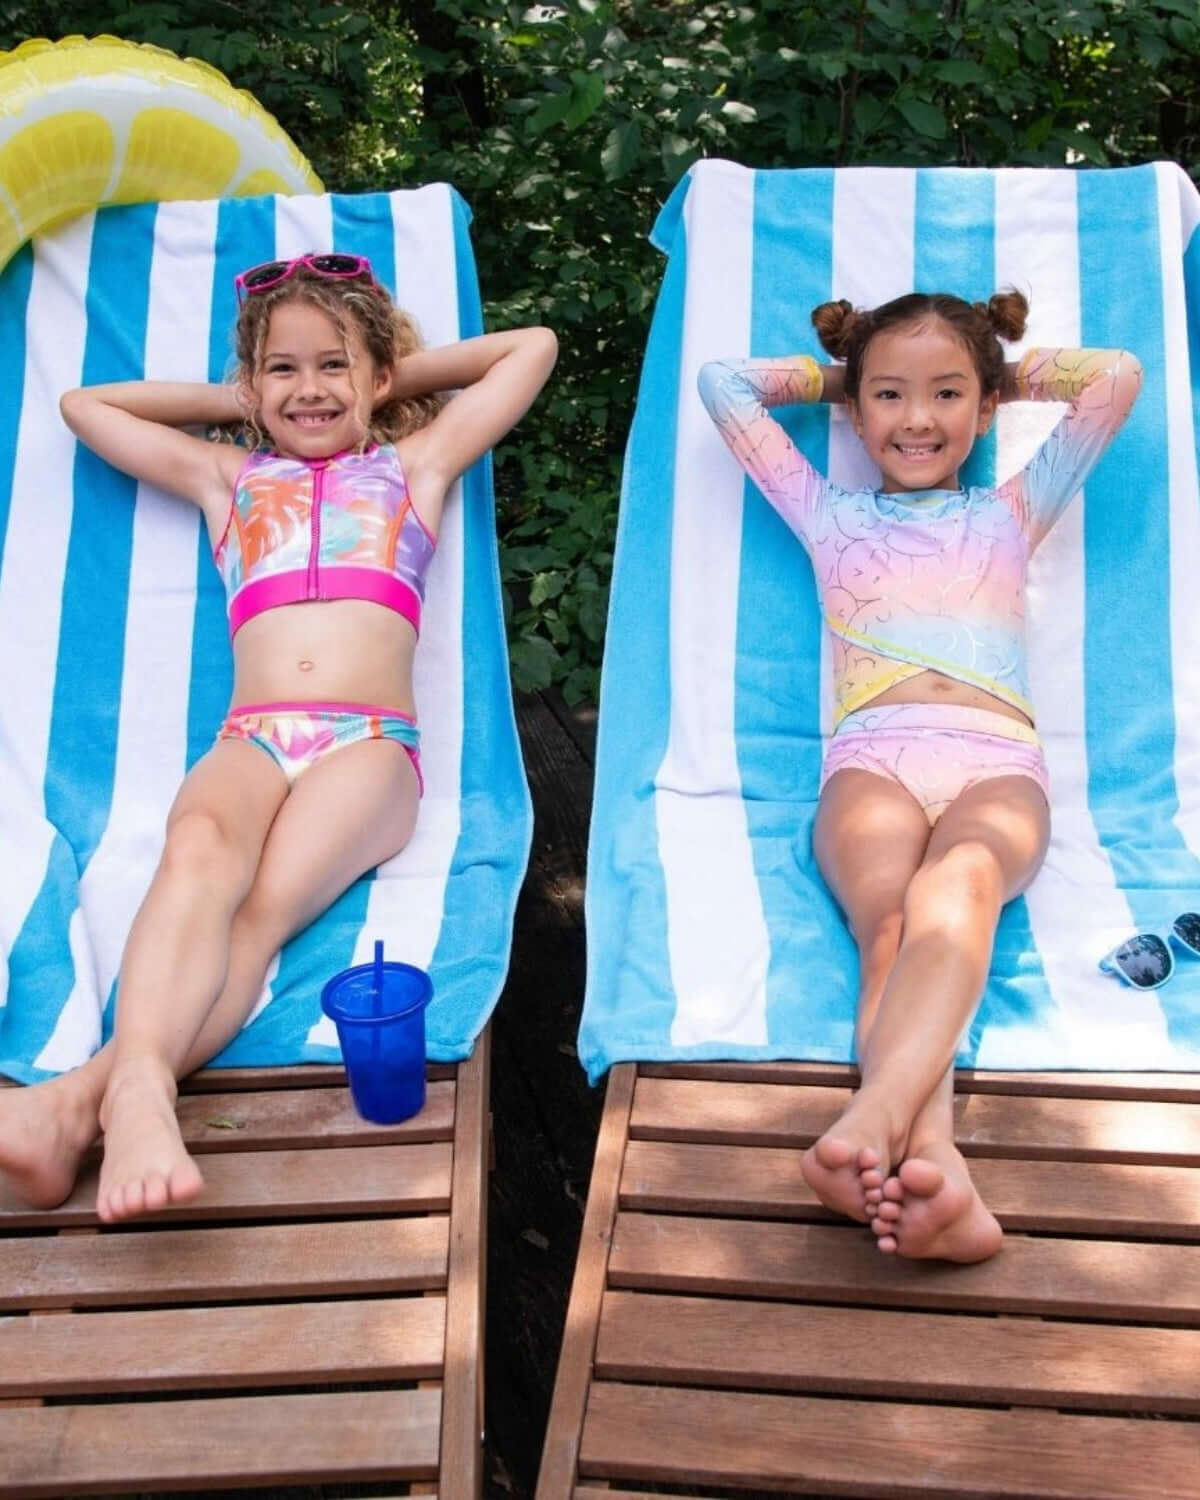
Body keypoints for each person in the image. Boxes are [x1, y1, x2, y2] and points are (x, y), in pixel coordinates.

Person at [0, 251, 557, 1223]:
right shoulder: (229, 478)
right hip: (251, 738)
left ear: (377, 380)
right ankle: (107, 1100)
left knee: (256, 912)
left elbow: (531, 347)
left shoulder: (411, 468)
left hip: (369, 748)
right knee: (195, 852)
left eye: (332, 366)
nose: (309, 390)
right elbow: (87, 405)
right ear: (251, 389)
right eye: (284, 370)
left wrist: (382, 377)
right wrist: (249, 394)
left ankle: (107, 1092)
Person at [699, 291, 1141, 1262]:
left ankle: (873, 1125)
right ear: (857, 414)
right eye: (890, 397)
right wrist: (843, 373)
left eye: (947, 396)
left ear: (983, 410)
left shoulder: (1012, 510)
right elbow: (723, 386)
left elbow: (1115, 380)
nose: (918, 418)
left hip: (996, 762)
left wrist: (995, 372)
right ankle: (931, 1155)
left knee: (962, 883)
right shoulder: (825, 512)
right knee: (890, 924)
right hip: (873, 760)